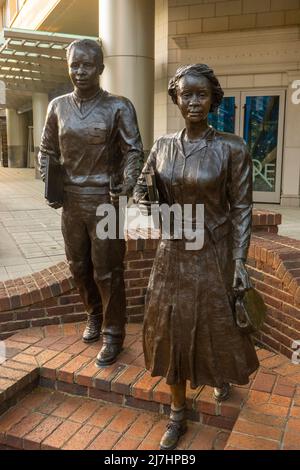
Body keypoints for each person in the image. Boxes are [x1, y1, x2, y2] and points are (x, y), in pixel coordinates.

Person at [133, 64, 259, 450]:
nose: (193, 102)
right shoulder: (162, 145)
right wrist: (151, 205)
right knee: (170, 327)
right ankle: (176, 411)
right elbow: (142, 188)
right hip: (172, 253)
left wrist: (239, 260)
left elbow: (241, 208)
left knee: (215, 323)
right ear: (176, 98)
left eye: (200, 94)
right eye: (186, 94)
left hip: (214, 252)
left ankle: (218, 373)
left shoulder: (232, 147)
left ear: (213, 99)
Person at [39, 39, 144, 367]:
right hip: (71, 201)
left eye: (87, 65)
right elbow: (46, 150)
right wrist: (49, 181)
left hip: (106, 202)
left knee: (108, 271)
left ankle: (114, 334)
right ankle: (94, 315)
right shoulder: (57, 106)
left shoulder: (119, 106)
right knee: (79, 267)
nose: (80, 72)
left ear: (100, 68)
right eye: (74, 65)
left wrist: (128, 181)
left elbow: (134, 151)